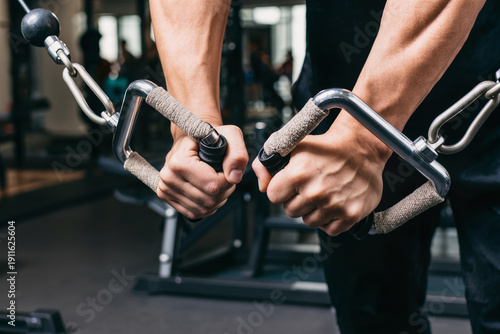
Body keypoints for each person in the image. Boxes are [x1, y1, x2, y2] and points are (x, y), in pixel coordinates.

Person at [149, 1, 500, 333]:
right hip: (340, 92)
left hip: (486, 87)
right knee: (370, 318)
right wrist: (192, 121)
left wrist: (364, 134)